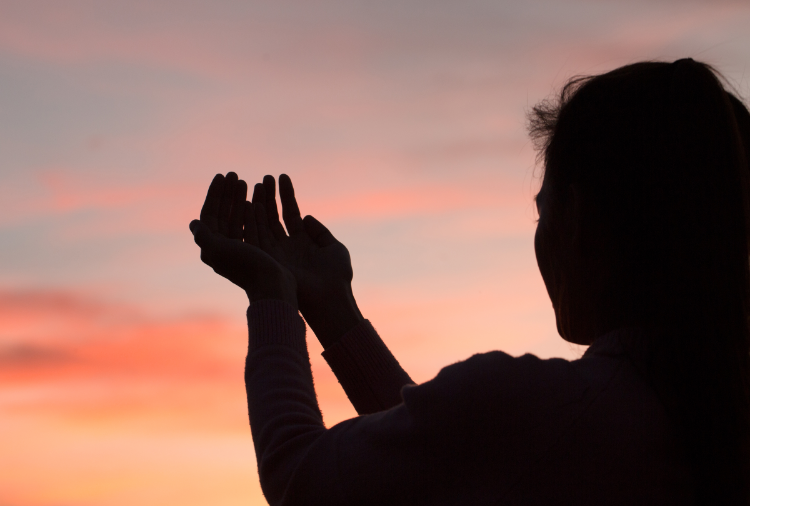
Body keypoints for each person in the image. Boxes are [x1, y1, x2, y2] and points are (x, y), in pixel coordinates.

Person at [189, 59, 749, 505]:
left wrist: (271, 297)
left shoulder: (548, 410)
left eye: (543, 213)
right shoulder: (721, 413)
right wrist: (333, 310)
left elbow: (300, 480)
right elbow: (467, 453)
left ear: (576, 220)